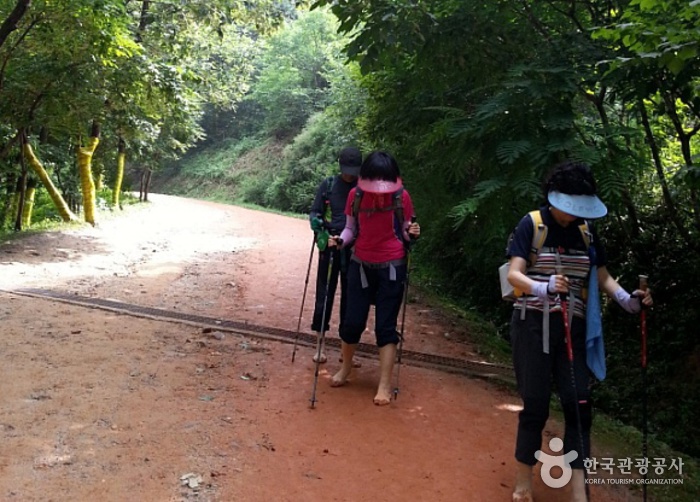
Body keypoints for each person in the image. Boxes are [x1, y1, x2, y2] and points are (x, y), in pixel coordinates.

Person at [505, 160, 653, 502]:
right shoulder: (533, 224)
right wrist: (543, 287)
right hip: (533, 326)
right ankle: (523, 481)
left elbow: (602, 277)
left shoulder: (586, 231)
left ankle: (578, 492)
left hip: (574, 329)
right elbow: (514, 274)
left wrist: (629, 301)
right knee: (536, 405)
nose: (572, 214)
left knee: (579, 406)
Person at [328, 151, 420, 405]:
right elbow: (350, 228)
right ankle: (346, 368)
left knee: (385, 327)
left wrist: (413, 231)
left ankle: (384, 385)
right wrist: (340, 241)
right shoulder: (355, 195)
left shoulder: (402, 197)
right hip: (360, 264)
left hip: (392, 265)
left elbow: (406, 229)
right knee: (351, 323)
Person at [308, 147, 362, 365]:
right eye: (346, 169)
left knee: (352, 299)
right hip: (329, 249)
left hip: (355, 251)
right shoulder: (328, 185)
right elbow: (315, 214)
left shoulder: (363, 189)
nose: (349, 174)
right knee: (325, 296)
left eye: (353, 170)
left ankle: (346, 351)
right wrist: (323, 236)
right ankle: (319, 346)